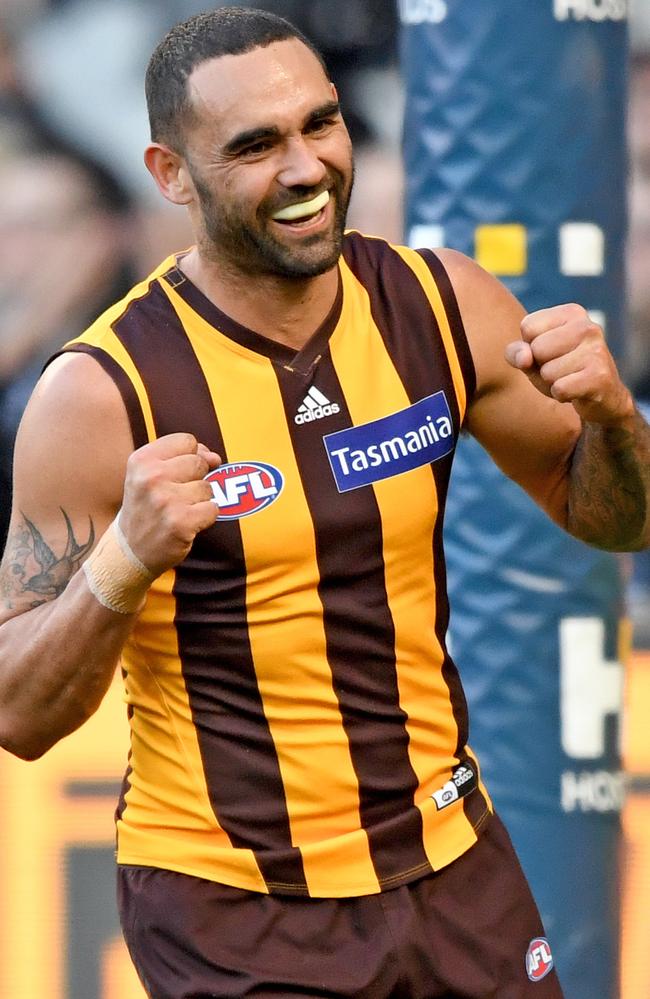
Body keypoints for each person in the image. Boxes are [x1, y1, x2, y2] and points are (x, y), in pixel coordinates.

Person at [0, 8, 648, 998]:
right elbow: (20, 713)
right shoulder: (100, 392)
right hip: (232, 909)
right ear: (170, 174)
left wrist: (609, 418)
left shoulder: (444, 304)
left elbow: (615, 519)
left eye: (321, 124)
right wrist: (122, 561)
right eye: (255, 145)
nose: (306, 168)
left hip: (451, 869)